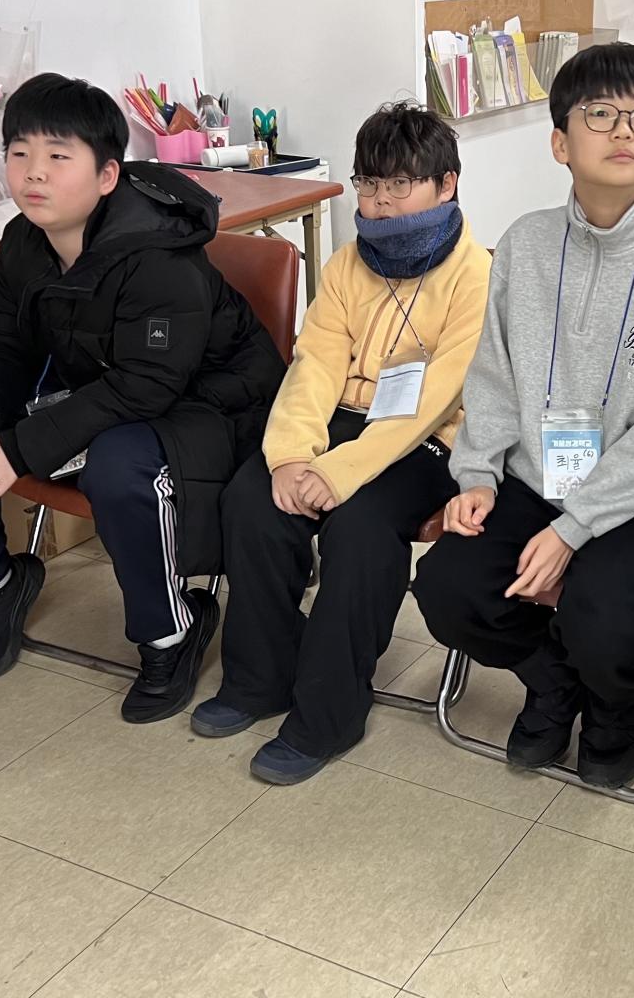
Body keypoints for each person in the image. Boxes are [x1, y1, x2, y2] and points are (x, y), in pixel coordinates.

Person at [0, 72, 285, 724]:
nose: (34, 172)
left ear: (107, 175)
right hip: (113, 390)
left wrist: (20, 448)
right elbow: (2, 341)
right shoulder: (25, 239)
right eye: (19, 152)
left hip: (218, 405)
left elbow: (149, 384)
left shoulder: (158, 255)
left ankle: (170, 632)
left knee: (119, 461)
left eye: (58, 156)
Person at [409, 42, 634, 790]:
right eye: (600, 114)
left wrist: (573, 528)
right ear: (560, 142)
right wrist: (477, 475)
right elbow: (493, 375)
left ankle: (616, 705)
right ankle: (553, 681)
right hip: (534, 479)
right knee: (448, 589)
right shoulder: (523, 244)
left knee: (600, 613)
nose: (623, 131)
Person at [191, 101, 491, 784]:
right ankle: (259, 678)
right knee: (252, 500)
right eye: (369, 183)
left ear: (446, 184)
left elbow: (435, 398)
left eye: (399, 185)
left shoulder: (476, 276)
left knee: (360, 526)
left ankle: (329, 713)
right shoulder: (350, 261)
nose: (380, 202)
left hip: (426, 442)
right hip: (342, 422)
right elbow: (315, 365)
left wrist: (339, 473)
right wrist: (292, 456)